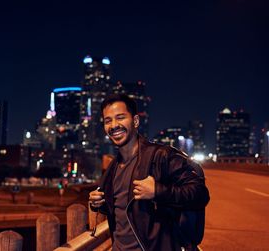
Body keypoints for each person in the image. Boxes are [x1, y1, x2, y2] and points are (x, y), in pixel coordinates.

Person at [89, 94, 209, 251]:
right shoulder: (113, 168)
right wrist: (99, 203)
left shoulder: (161, 157)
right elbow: (124, 211)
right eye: (108, 120)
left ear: (136, 121)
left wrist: (157, 191)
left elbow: (200, 194)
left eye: (120, 117)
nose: (114, 125)